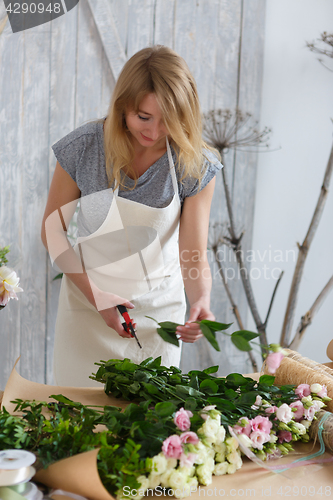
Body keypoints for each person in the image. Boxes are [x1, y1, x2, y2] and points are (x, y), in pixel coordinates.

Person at [41, 45, 223, 387]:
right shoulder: (84, 148)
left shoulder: (193, 165)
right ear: (123, 105)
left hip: (156, 315)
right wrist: (98, 297)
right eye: (143, 117)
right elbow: (52, 233)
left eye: (168, 120)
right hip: (85, 308)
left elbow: (193, 253)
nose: (154, 132)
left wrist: (201, 301)